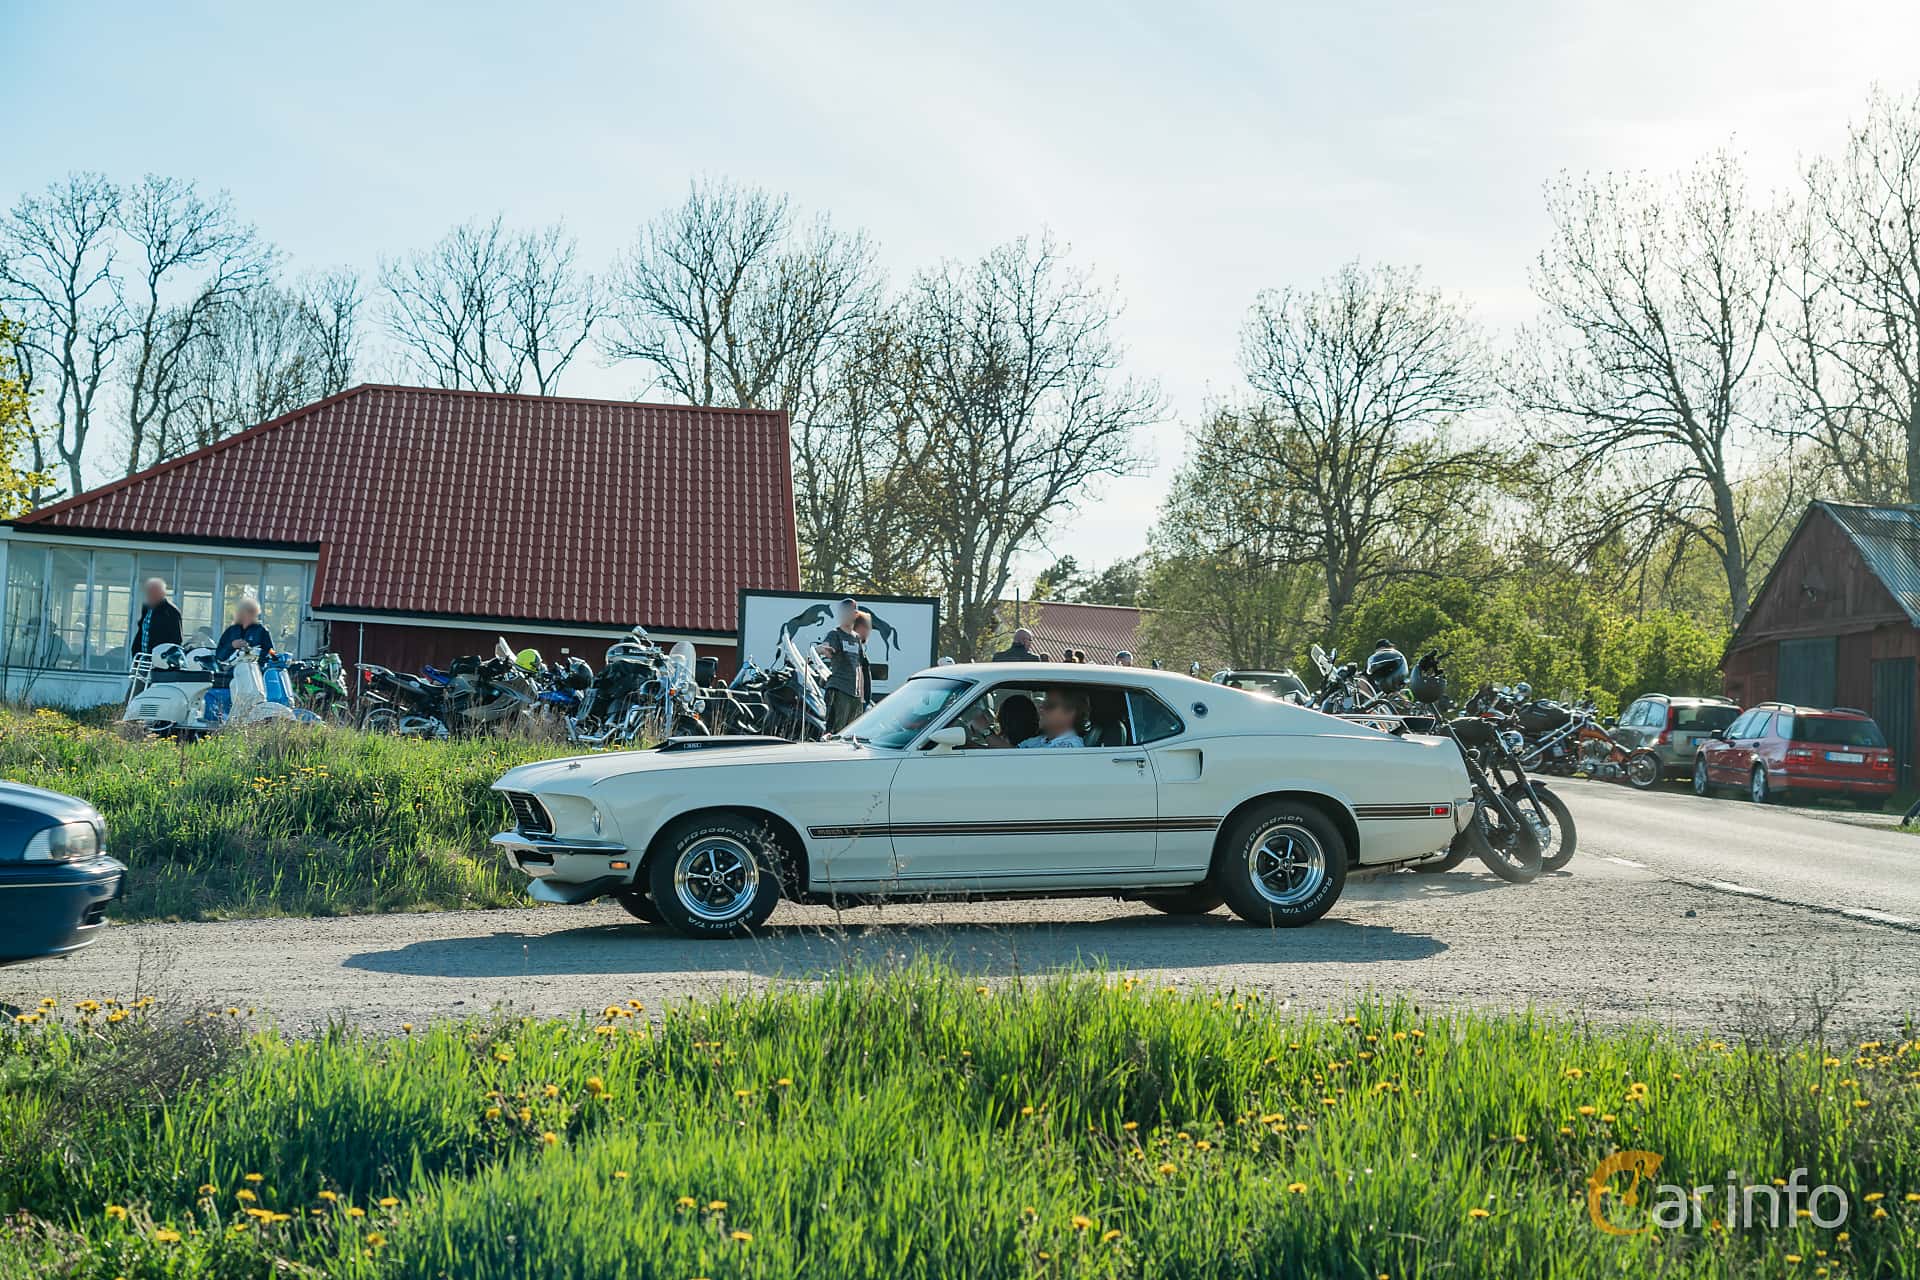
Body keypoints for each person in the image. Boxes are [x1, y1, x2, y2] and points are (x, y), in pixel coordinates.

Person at [816, 597, 865, 732]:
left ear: (855, 615)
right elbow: (823, 647)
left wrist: (862, 696)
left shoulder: (857, 638)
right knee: (836, 731)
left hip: (855, 694)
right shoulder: (835, 634)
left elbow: (859, 666)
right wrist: (821, 649)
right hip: (839, 689)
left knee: (852, 731)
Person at [1018, 687, 1088, 748]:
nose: (1041, 709)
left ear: (1070, 713)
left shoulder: (1069, 748)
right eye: (1043, 704)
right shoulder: (1042, 739)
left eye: (1049, 706)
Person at [131, 578, 183, 659]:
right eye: (149, 592)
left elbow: (176, 641)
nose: (150, 595)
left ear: (162, 593)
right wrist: (135, 652)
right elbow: (142, 632)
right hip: (142, 660)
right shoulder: (146, 608)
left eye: (154, 592)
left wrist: (166, 658)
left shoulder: (171, 612)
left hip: (160, 662)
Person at [214, 595, 274, 663]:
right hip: (232, 670)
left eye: (252, 611)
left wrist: (255, 652)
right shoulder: (230, 631)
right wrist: (232, 645)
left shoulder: (262, 631)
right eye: (247, 611)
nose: (249, 614)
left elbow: (272, 653)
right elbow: (219, 656)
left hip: (255, 670)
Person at [850, 610, 877, 707]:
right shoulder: (853, 647)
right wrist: (861, 700)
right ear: (860, 628)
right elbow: (857, 673)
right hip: (858, 701)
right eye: (867, 627)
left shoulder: (858, 646)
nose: (869, 631)